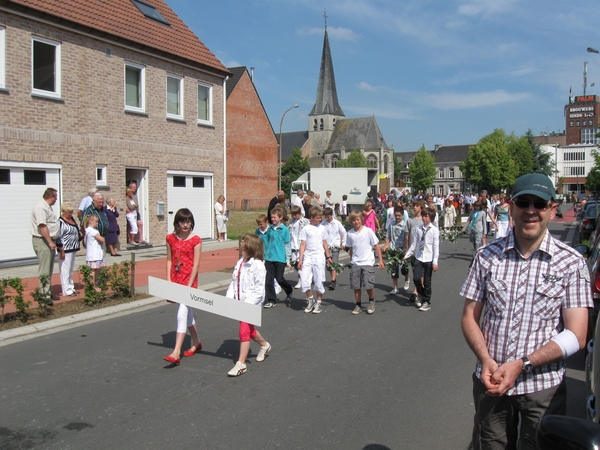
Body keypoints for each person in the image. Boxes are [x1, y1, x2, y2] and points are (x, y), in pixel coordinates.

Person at [460, 173, 593, 450]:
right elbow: (469, 317)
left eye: (540, 203)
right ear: (511, 207)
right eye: (523, 202)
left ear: (552, 209)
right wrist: (484, 359)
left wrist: (523, 363)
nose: (531, 210)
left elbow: (577, 335)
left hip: (543, 387)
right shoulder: (486, 256)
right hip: (491, 381)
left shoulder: (571, 263)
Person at [225, 234, 272, 377]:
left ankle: (241, 364)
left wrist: (246, 305)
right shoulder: (240, 261)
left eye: (244, 242)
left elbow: (259, 290)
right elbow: (234, 282)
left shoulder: (258, 264)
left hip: (251, 304)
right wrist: (228, 298)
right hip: (240, 303)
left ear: (251, 245)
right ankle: (265, 345)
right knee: (250, 330)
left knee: (243, 331)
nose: (241, 244)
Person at [163, 208, 203, 366]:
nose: (186, 225)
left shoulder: (196, 240)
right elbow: (169, 260)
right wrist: (168, 279)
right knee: (188, 314)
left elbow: (196, 265)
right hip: (176, 278)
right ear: (177, 223)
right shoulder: (170, 239)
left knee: (181, 314)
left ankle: (176, 352)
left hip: (189, 281)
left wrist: (189, 285)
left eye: (188, 221)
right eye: (182, 221)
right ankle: (196, 342)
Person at [346, 210, 384, 315]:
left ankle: (371, 301)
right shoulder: (349, 233)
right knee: (356, 286)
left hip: (367, 261)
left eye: (357, 219)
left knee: (369, 284)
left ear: (361, 220)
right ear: (351, 221)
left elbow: (376, 245)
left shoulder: (368, 231)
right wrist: (351, 259)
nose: (356, 222)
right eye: (353, 220)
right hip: (356, 262)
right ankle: (358, 305)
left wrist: (380, 260)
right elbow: (351, 248)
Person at [403, 207, 439, 312]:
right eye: (423, 216)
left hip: (429, 258)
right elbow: (414, 244)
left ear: (431, 218)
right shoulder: (419, 229)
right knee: (416, 278)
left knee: (427, 281)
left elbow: (436, 247)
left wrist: (435, 262)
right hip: (419, 257)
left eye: (426, 216)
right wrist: (408, 255)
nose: (423, 218)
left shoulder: (434, 230)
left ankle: (426, 301)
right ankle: (422, 295)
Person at [298, 207, 332, 314]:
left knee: (319, 280)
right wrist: (300, 260)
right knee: (304, 280)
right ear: (311, 218)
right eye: (317, 218)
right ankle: (311, 300)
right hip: (308, 257)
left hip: (319, 258)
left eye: (320, 218)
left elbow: (325, 243)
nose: (320, 220)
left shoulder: (322, 228)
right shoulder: (306, 229)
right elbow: (303, 245)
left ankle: (318, 302)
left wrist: (328, 257)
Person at [31, 188, 59, 303]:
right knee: (44, 270)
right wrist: (50, 242)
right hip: (43, 241)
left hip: (48, 241)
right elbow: (42, 226)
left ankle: (47, 292)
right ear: (51, 197)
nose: (56, 200)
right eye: (55, 197)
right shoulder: (40, 208)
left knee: (49, 269)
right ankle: (44, 296)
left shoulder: (47, 207)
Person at [263, 206, 293, 308]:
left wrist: (288, 259)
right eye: (272, 217)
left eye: (275, 217)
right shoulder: (270, 229)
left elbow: (287, 244)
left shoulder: (284, 229)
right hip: (269, 258)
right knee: (268, 280)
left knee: (279, 278)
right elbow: (266, 242)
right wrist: (264, 255)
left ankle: (289, 290)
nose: (273, 219)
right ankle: (271, 299)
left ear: (280, 217)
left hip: (280, 258)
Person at [56, 202, 81, 297]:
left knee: (70, 269)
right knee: (65, 269)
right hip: (65, 248)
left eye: (71, 212)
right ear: (63, 211)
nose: (70, 214)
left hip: (73, 247)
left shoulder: (72, 219)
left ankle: (71, 287)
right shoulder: (60, 222)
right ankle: (66, 290)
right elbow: (58, 236)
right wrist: (61, 249)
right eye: (68, 212)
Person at [383, 205, 409, 294]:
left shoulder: (405, 225)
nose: (397, 217)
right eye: (396, 215)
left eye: (399, 216)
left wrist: (402, 247)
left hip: (402, 249)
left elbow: (407, 238)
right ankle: (395, 287)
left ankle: (406, 279)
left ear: (402, 215)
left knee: (404, 268)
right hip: (393, 249)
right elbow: (389, 237)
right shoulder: (391, 225)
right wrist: (386, 245)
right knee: (393, 268)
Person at [321, 207, 347, 290]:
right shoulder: (323, 224)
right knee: (329, 264)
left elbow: (343, 232)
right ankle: (333, 278)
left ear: (332, 215)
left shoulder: (337, 223)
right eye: (325, 217)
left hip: (335, 246)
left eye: (328, 216)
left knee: (334, 263)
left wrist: (343, 243)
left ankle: (333, 281)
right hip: (327, 247)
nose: (327, 218)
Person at [288, 205, 309, 290]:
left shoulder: (305, 221)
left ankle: (301, 281)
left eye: (295, 214)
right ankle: (300, 279)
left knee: (300, 264)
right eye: (292, 214)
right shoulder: (291, 223)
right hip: (293, 246)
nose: (293, 216)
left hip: (301, 246)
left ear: (299, 213)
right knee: (294, 265)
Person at [84, 214, 106, 288]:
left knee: (96, 269)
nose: (97, 223)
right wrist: (102, 239)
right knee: (93, 270)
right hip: (94, 254)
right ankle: (92, 284)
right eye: (96, 221)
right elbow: (102, 239)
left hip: (95, 253)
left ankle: (95, 282)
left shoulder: (88, 230)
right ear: (91, 221)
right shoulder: (92, 231)